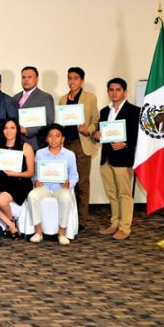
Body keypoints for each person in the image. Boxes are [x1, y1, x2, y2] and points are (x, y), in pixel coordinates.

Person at [94, 77, 140, 240]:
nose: (114, 93)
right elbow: (101, 133)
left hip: (123, 158)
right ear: (108, 92)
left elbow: (138, 136)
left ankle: (125, 227)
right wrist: (96, 135)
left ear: (125, 92)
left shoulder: (134, 111)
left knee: (124, 194)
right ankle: (115, 223)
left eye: (118, 89)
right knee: (112, 193)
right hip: (106, 157)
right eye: (111, 90)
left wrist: (125, 143)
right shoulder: (105, 111)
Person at [59, 66, 100, 226]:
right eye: (70, 78)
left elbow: (95, 121)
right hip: (66, 145)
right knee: (65, 182)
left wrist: (87, 130)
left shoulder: (90, 98)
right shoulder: (63, 99)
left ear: (82, 81)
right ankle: (69, 217)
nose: (72, 81)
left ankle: (82, 220)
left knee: (82, 183)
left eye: (75, 78)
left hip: (81, 144)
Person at [27, 124, 79, 245]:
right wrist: (35, 181)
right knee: (32, 196)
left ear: (62, 139)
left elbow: (74, 175)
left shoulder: (69, 155)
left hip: (61, 188)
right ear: (46, 139)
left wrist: (69, 183)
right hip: (44, 187)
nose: (53, 139)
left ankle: (62, 233)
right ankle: (38, 232)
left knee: (66, 198)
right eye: (50, 136)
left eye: (57, 136)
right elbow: (35, 174)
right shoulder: (40, 153)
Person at [0, 118, 34, 239]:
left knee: (1, 200)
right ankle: (11, 224)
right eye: (6, 128)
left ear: (17, 130)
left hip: (20, 182)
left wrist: (15, 174)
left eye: (12, 128)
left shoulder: (26, 147)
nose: (9, 131)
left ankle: (10, 225)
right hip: (3, 182)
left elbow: (30, 173)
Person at [13, 66, 56, 150]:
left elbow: (49, 122)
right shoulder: (15, 98)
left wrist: (27, 130)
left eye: (29, 77)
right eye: (23, 77)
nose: (26, 80)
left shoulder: (45, 97)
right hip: (16, 145)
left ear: (37, 79)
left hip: (35, 145)